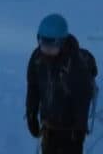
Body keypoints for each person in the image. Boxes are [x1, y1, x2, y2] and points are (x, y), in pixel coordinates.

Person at [26, 13, 98, 154]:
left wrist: (80, 129)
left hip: (70, 126)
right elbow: (33, 87)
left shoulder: (75, 65)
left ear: (62, 43)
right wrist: (31, 113)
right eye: (43, 44)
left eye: (52, 46)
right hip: (49, 123)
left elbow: (82, 99)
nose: (46, 50)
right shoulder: (37, 59)